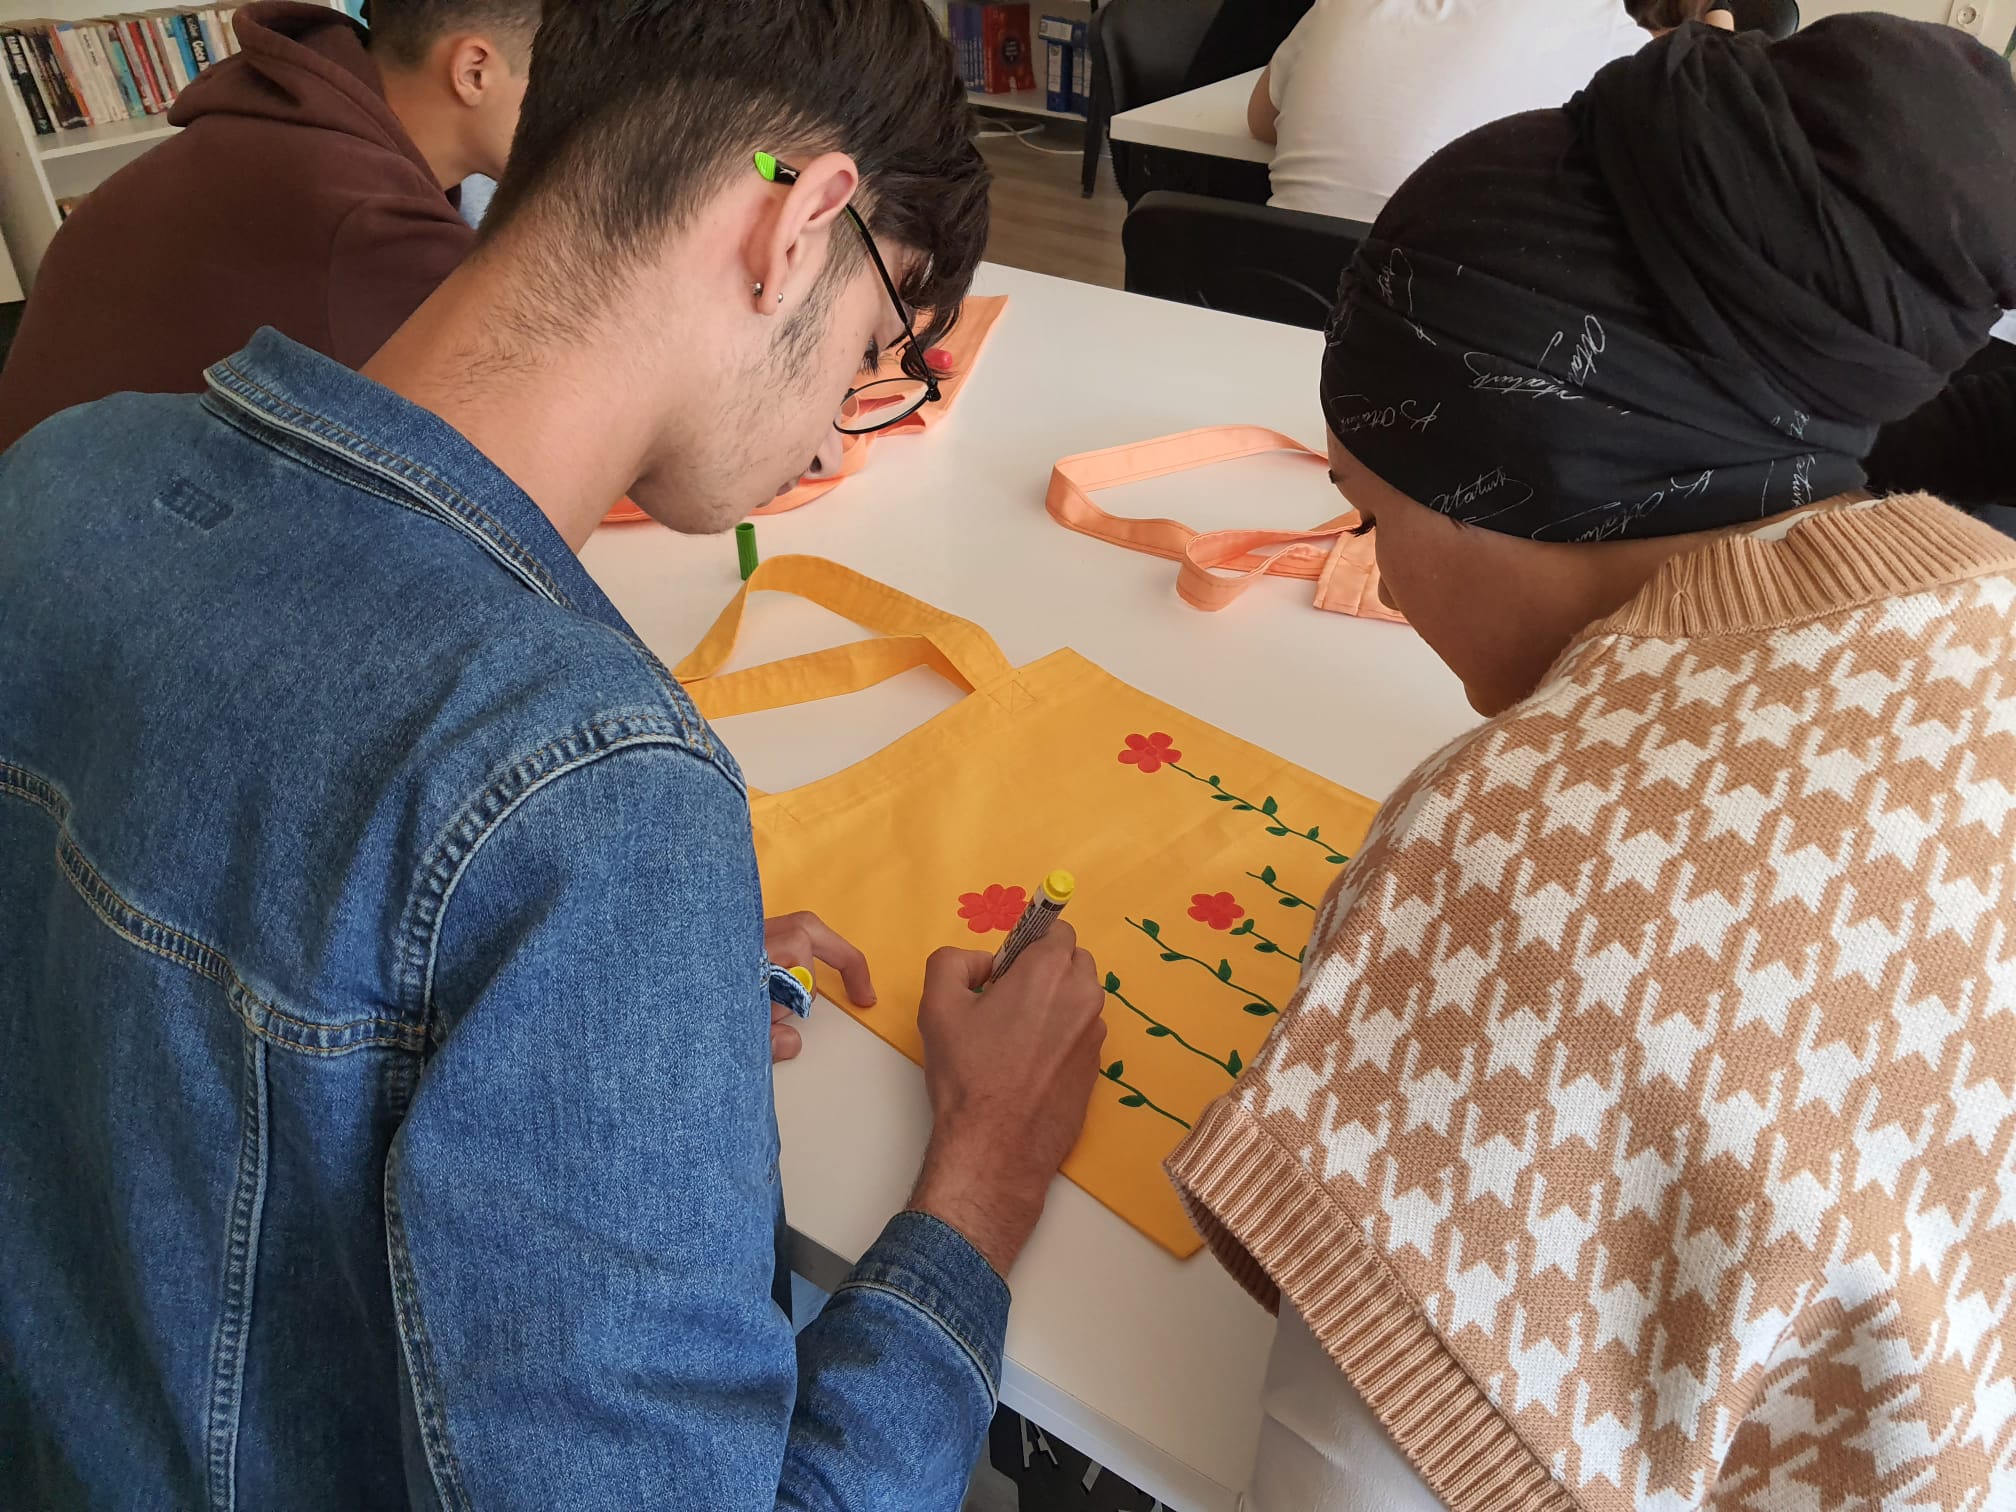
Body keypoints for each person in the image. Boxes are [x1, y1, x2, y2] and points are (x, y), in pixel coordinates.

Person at [0, 0, 1109, 1505]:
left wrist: (601, 1005)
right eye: (874, 346)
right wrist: (986, 1176)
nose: (833, 432)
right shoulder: (585, 787)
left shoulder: (58, 480)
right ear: (797, 226)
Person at [1173, 16, 2016, 1510]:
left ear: (1524, 483)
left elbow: (1330, 1485)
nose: (1382, 581)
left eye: (1372, 520)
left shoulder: (1508, 862)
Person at [0, 0, 536, 453]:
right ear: (473, 72)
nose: (575, 113)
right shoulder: (365, 222)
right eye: (566, 80)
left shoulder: (292, 115)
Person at [1245, 0, 1662, 222]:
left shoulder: (1340, 5)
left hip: (1272, 297)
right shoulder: (1604, 27)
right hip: (1445, 318)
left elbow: (1262, 121)